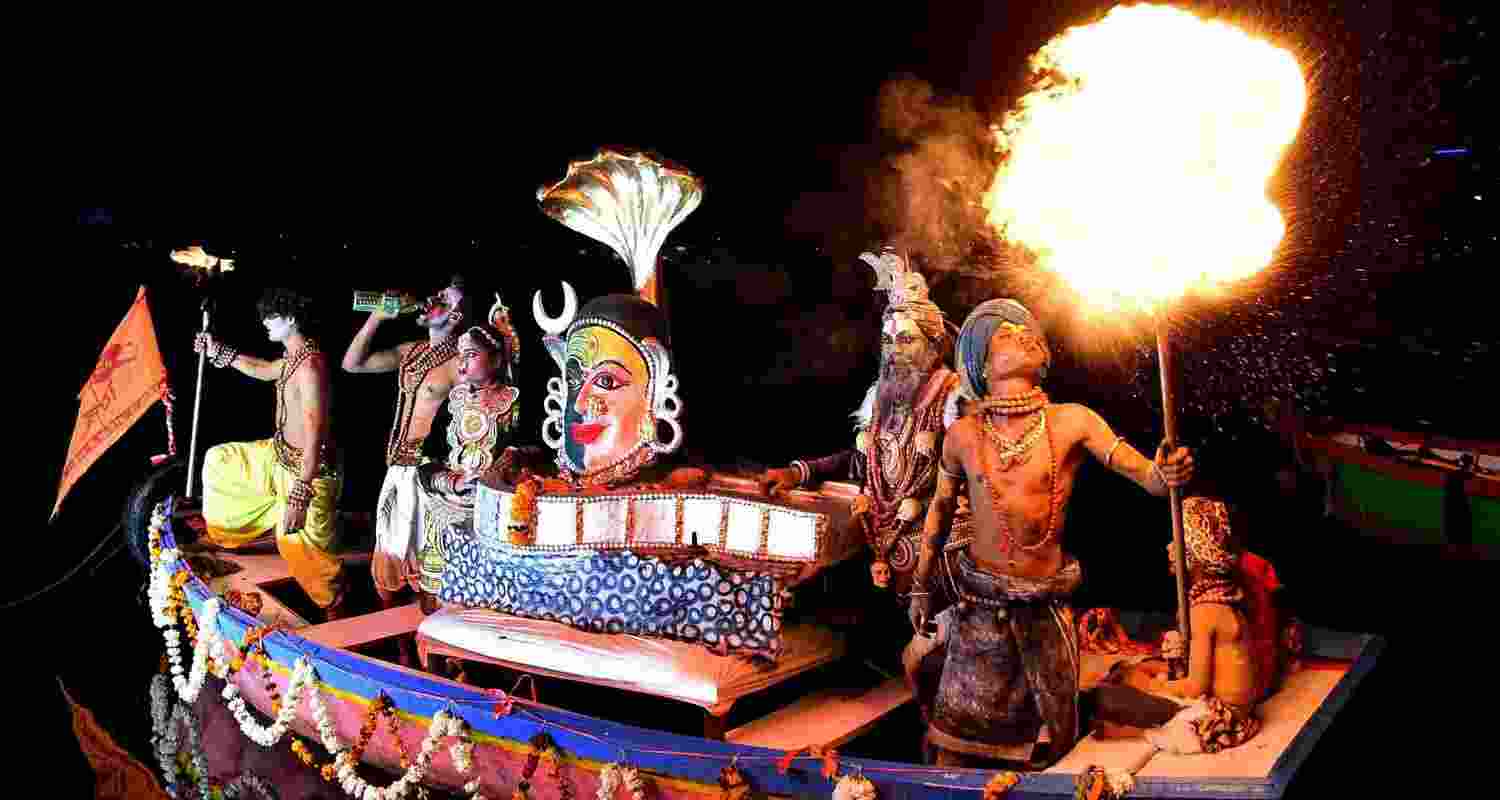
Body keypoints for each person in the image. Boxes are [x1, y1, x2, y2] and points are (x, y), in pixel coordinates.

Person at [910, 298, 1194, 768]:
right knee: (956, 748)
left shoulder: (1072, 420)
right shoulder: (962, 435)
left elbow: (1147, 477)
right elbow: (938, 512)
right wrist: (921, 587)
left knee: (1048, 749)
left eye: (1028, 333)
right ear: (982, 365)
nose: (1025, 336)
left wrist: (1166, 473)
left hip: (1046, 610)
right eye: (1007, 334)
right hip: (981, 612)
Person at [760, 247, 967, 593]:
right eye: (888, 341)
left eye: (906, 339)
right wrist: (797, 473)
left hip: (941, 556)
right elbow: (862, 462)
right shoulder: (881, 397)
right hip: (879, 546)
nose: (894, 351)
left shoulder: (953, 400)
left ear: (934, 346)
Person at [192, 288, 346, 620]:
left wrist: (300, 496)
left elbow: (315, 438)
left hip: (309, 472)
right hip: (277, 457)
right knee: (221, 461)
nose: (264, 323)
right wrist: (218, 351)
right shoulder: (294, 358)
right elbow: (263, 369)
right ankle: (240, 532)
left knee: (301, 550)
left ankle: (336, 612)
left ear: (290, 319)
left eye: (270, 317)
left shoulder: (310, 366)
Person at [1091, 497, 1265, 755]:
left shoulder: (1204, 612)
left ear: (1195, 554)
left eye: (1176, 541)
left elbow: (1195, 687)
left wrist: (1150, 686)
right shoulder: (1225, 597)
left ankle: (1135, 732)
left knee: (1109, 695)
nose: (1169, 547)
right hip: (1236, 712)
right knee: (1139, 670)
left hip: (1218, 721)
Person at [342, 274, 472, 608]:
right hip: (397, 466)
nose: (434, 299)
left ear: (457, 315)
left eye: (446, 298)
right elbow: (352, 364)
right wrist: (376, 317)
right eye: (437, 293)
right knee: (386, 559)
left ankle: (430, 630)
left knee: (427, 566)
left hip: (430, 471)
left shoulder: (462, 364)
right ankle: (392, 634)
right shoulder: (412, 351)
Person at [414, 294, 521, 606]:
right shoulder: (454, 402)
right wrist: (452, 481)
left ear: (496, 359)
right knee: (437, 597)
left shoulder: (514, 404)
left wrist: (504, 467)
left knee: (486, 600)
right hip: (447, 508)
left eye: (471, 355)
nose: (461, 363)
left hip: (493, 513)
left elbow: (532, 451)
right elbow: (427, 457)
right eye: (460, 355)